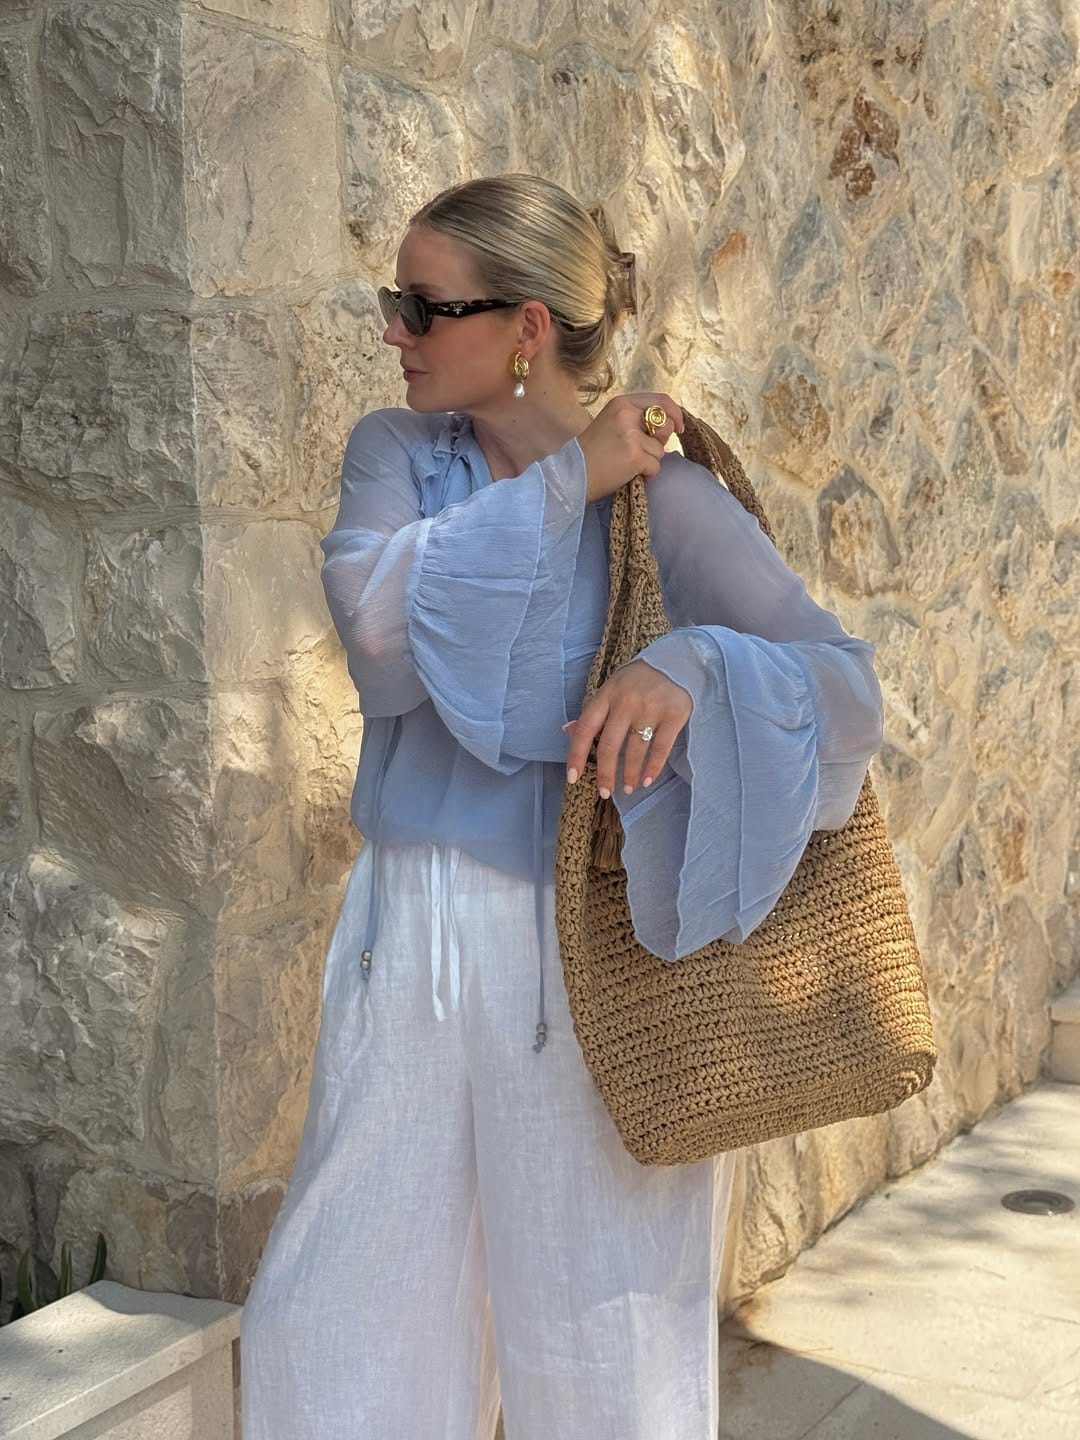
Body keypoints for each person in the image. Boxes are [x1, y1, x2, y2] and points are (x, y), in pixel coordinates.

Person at [240, 173, 884, 1440]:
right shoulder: (400, 461)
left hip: (592, 953)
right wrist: (566, 479)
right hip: (406, 936)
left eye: (424, 309)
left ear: (525, 328)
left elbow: (845, 692)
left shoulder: (672, 502)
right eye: (397, 304)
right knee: (333, 1312)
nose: (395, 333)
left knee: (605, 1334)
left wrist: (694, 666)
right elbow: (380, 635)